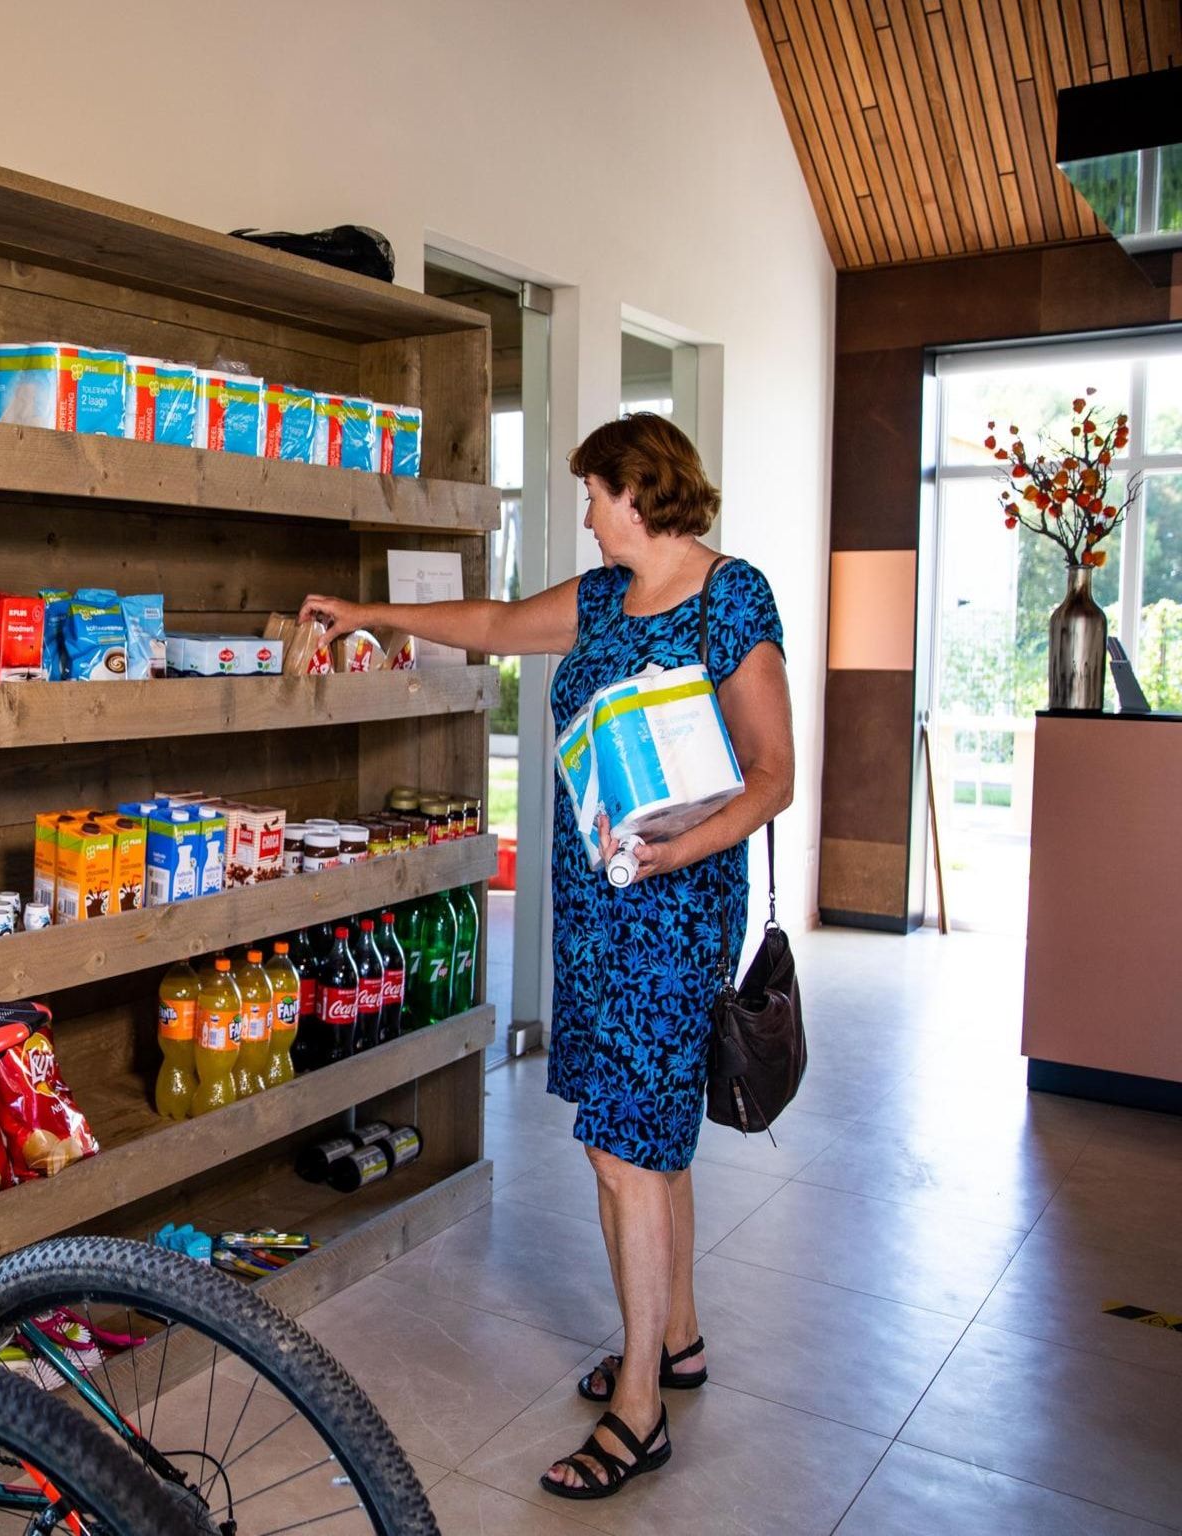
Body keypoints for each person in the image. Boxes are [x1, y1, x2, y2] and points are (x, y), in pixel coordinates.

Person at [301, 413, 792, 1502]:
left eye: (592, 495)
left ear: (637, 493)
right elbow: (489, 622)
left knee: (623, 1149)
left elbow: (772, 774)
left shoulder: (731, 598)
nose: (584, 514)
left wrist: (676, 851)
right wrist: (371, 613)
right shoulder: (602, 597)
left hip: (671, 910)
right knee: (648, 1139)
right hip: (595, 907)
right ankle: (675, 1341)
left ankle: (638, 1411)